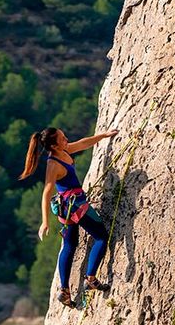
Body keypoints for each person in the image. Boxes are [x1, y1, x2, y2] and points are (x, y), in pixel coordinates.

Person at [19, 126, 118, 307]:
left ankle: (64, 291)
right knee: (101, 237)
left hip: (67, 209)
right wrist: (45, 222)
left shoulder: (63, 150)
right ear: (54, 146)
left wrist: (104, 135)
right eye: (63, 138)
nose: (67, 140)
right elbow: (46, 192)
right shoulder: (53, 164)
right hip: (76, 207)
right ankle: (91, 278)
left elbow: (82, 143)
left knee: (70, 245)